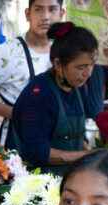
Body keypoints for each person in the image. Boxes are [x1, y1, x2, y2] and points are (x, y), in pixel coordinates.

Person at [0, 0, 64, 147]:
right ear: (27, 14)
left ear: (61, 14)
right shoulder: (8, 52)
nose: (45, 16)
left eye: (52, 10)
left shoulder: (64, 52)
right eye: (38, 10)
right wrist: (17, 114)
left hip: (51, 142)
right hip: (12, 144)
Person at [8, 22, 100, 175]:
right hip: (37, 182)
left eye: (91, 65)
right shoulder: (39, 95)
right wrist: (84, 156)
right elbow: (36, 151)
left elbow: (74, 138)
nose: (88, 73)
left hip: (68, 177)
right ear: (58, 64)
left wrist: (95, 153)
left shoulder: (77, 87)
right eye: (81, 67)